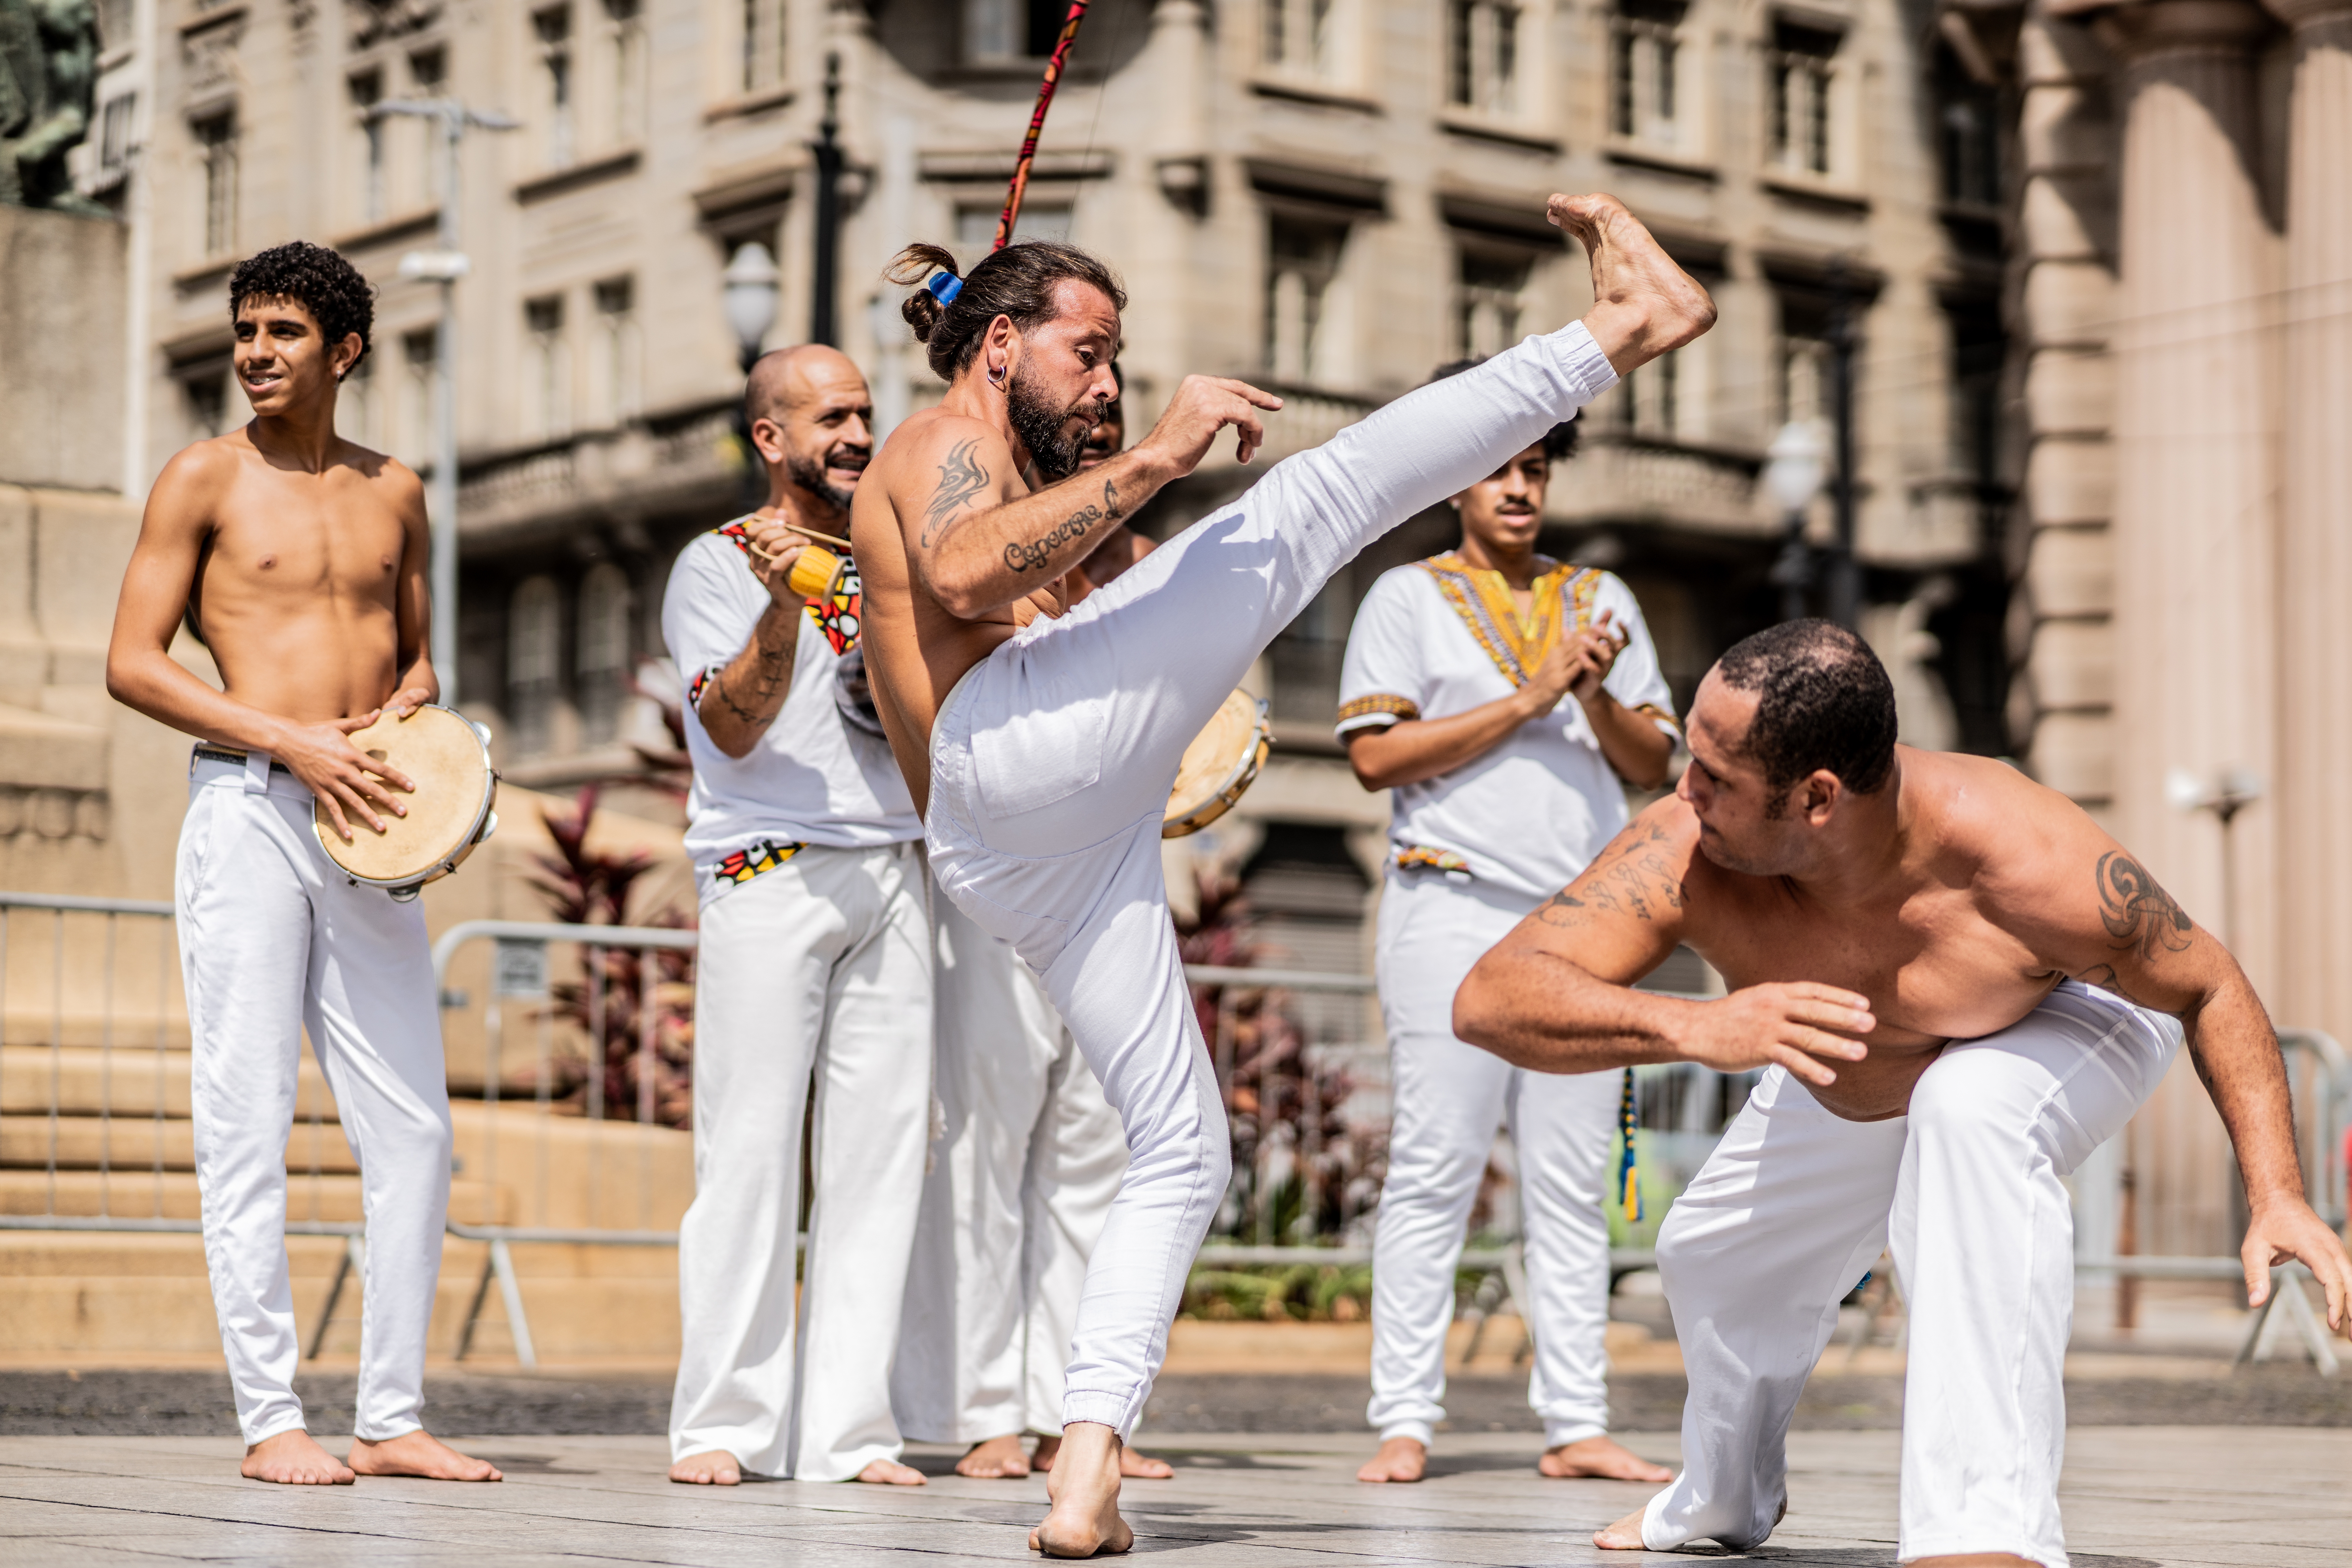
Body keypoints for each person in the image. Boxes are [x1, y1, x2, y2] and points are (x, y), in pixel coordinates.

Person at [851, 192, 1716, 1554]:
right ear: (999, 345)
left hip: (1016, 844)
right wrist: (1162, 457)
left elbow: (1059, 588)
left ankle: (1086, 1468)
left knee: (1184, 1147)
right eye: (1092, 353)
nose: (1114, 384)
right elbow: (964, 573)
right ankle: (1626, 325)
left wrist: (1121, 526)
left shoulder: (1008, 462)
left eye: (1122, 364)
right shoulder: (937, 437)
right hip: (1009, 764)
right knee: (1318, 493)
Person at [1452, 619, 2352, 1568]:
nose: (1685, 789)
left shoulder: (2025, 861)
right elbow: (1492, 999)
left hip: (2065, 1020)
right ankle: (1722, 1498)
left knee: (1970, 1111)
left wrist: (2279, 1191)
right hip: (1860, 1055)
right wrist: (1695, 1027)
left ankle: (1984, 1533)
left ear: (1817, 799)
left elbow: (2210, 985)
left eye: (1718, 777)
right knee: (1710, 1255)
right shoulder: (1685, 855)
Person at [103, 241, 499, 1486]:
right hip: (251, 810)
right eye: (246, 332)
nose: (255, 354)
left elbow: (421, 657)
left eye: (281, 332)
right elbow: (133, 662)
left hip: (372, 826)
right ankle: (272, 1418)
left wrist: (413, 706)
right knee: (246, 1116)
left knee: (418, 1132)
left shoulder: (399, 490)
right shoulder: (202, 477)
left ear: (347, 350)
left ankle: (390, 1416)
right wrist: (289, 740)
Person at [1337, 379, 1675, 1489]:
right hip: (1450, 906)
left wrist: (1585, 692)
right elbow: (1377, 756)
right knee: (1435, 1167)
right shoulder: (1407, 597)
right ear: (1460, 480)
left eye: (1536, 468)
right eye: (1500, 468)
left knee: (1571, 1182)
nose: (1520, 487)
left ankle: (1576, 1419)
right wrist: (1530, 698)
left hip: (1579, 927)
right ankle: (1405, 1417)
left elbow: (1653, 766)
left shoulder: (1601, 596)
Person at [891, 369, 1172, 1484]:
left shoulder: (1124, 556)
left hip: (1111, 868)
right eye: (1088, 399)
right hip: (1000, 868)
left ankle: (1081, 1411)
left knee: (1099, 1152)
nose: (1100, 414)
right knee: (986, 1136)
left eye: (1114, 410)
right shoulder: (971, 504)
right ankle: (982, 1412)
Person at [662, 345, 935, 1488]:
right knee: (752, 1155)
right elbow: (729, 728)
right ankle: (722, 1424)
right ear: (771, 438)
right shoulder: (715, 563)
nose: (858, 433)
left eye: (867, 412)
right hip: (770, 872)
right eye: (832, 416)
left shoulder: (896, 565)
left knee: (883, 1165)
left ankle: (850, 1433)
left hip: (898, 873)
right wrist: (782, 610)